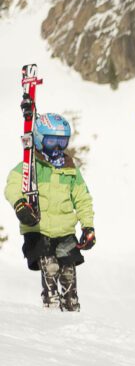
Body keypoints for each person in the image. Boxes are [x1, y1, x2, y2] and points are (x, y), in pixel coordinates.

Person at [5, 112, 96, 311]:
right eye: (51, 141)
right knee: (51, 269)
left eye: (62, 142)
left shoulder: (70, 169)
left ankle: (71, 311)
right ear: (39, 140)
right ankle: (51, 308)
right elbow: (12, 186)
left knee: (68, 274)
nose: (57, 148)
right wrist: (21, 205)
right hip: (39, 230)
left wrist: (88, 226)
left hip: (65, 233)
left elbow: (82, 199)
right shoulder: (31, 166)